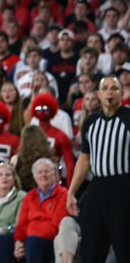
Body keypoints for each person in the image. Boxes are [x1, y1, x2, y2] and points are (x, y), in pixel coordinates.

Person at [67, 75, 130, 263]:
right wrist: (71, 191)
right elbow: (84, 160)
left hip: (124, 186)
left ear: (122, 93)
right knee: (90, 247)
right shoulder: (90, 122)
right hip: (97, 186)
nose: (110, 92)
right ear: (99, 94)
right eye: (106, 88)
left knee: (124, 247)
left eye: (115, 88)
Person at [0, 158, 68, 263]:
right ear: (34, 176)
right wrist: (18, 242)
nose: (43, 175)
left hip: (50, 241)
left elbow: (56, 226)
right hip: (29, 239)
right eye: (39, 172)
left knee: (32, 242)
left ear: (54, 174)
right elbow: (22, 223)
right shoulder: (30, 196)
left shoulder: (63, 194)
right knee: (1, 241)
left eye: (47, 171)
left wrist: (28, 240)